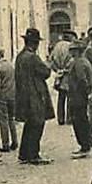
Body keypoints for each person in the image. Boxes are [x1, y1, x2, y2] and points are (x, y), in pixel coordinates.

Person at [15, 28, 54, 164]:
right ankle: (33, 154)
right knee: (37, 124)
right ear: (34, 43)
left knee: (29, 124)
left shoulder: (20, 57)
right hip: (35, 95)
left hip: (23, 95)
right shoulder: (33, 57)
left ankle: (24, 154)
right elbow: (46, 72)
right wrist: (48, 65)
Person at [60, 40, 92, 158]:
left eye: (73, 50)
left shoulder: (79, 63)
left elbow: (82, 80)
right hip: (79, 96)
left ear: (78, 51)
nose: (70, 52)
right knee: (81, 120)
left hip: (78, 96)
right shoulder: (83, 62)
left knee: (79, 121)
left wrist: (81, 93)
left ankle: (84, 146)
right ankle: (85, 145)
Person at [0, 48, 18, 152]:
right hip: (12, 95)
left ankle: (5, 144)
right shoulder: (10, 65)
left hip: (1, 97)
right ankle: (15, 142)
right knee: (11, 119)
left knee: (3, 121)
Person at [49, 29, 75, 125]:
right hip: (69, 75)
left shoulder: (57, 46)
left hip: (60, 76)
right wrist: (66, 68)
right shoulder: (71, 47)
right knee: (70, 97)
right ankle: (69, 118)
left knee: (61, 98)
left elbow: (51, 60)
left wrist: (58, 70)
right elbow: (72, 60)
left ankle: (60, 119)